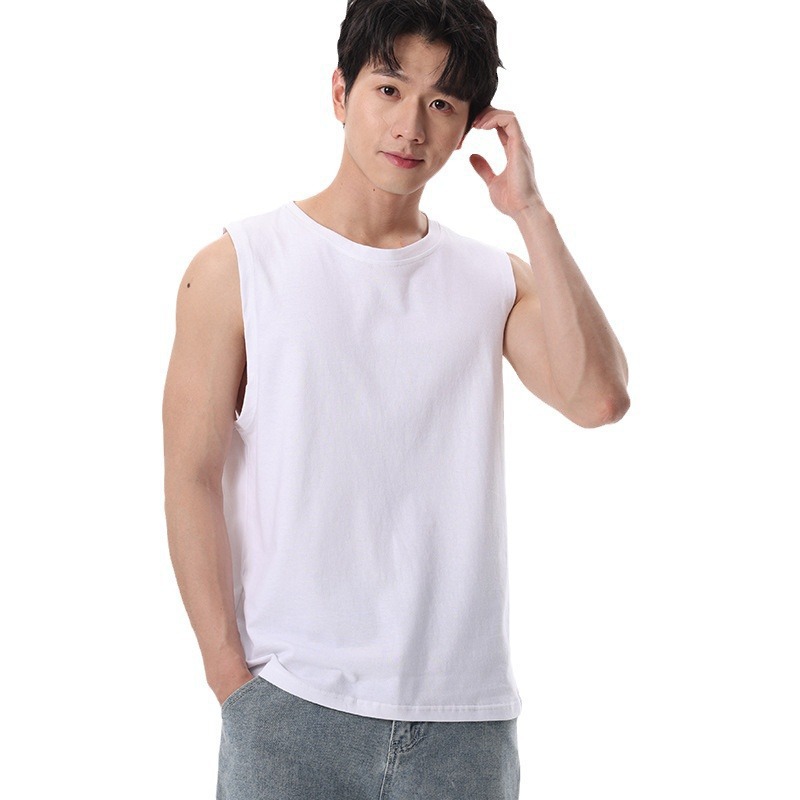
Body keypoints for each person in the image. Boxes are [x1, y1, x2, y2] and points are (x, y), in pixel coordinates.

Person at [162, 0, 630, 797]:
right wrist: (230, 679)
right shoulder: (239, 266)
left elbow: (599, 399)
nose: (411, 126)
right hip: (291, 709)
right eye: (389, 89)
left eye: (442, 103)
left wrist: (530, 212)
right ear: (339, 93)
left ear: (468, 125)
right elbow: (190, 477)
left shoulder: (490, 280)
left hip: (465, 726)